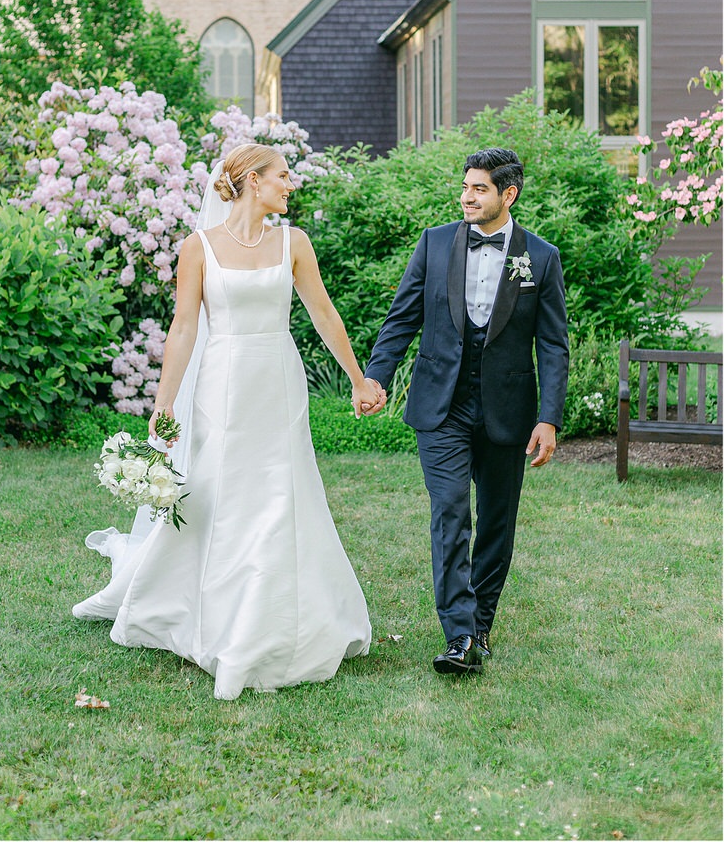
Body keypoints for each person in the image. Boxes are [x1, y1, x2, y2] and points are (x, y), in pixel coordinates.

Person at [73, 143, 383, 700]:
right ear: (250, 180)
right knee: (217, 490)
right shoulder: (199, 248)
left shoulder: (294, 243)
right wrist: (165, 400)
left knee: (280, 490)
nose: (291, 185)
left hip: (277, 378)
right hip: (221, 382)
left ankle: (272, 616)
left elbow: (323, 313)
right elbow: (185, 327)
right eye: (282, 177)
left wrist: (359, 380)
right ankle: (202, 609)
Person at [361, 148, 569, 675]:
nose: (467, 197)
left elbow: (553, 344)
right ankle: (458, 636)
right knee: (450, 511)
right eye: (465, 187)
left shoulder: (539, 257)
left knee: (497, 523)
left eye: (478, 189)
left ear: (508, 194)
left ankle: (481, 626)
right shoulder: (434, 244)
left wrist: (548, 417)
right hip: (441, 406)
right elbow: (401, 319)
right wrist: (375, 378)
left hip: (507, 410)